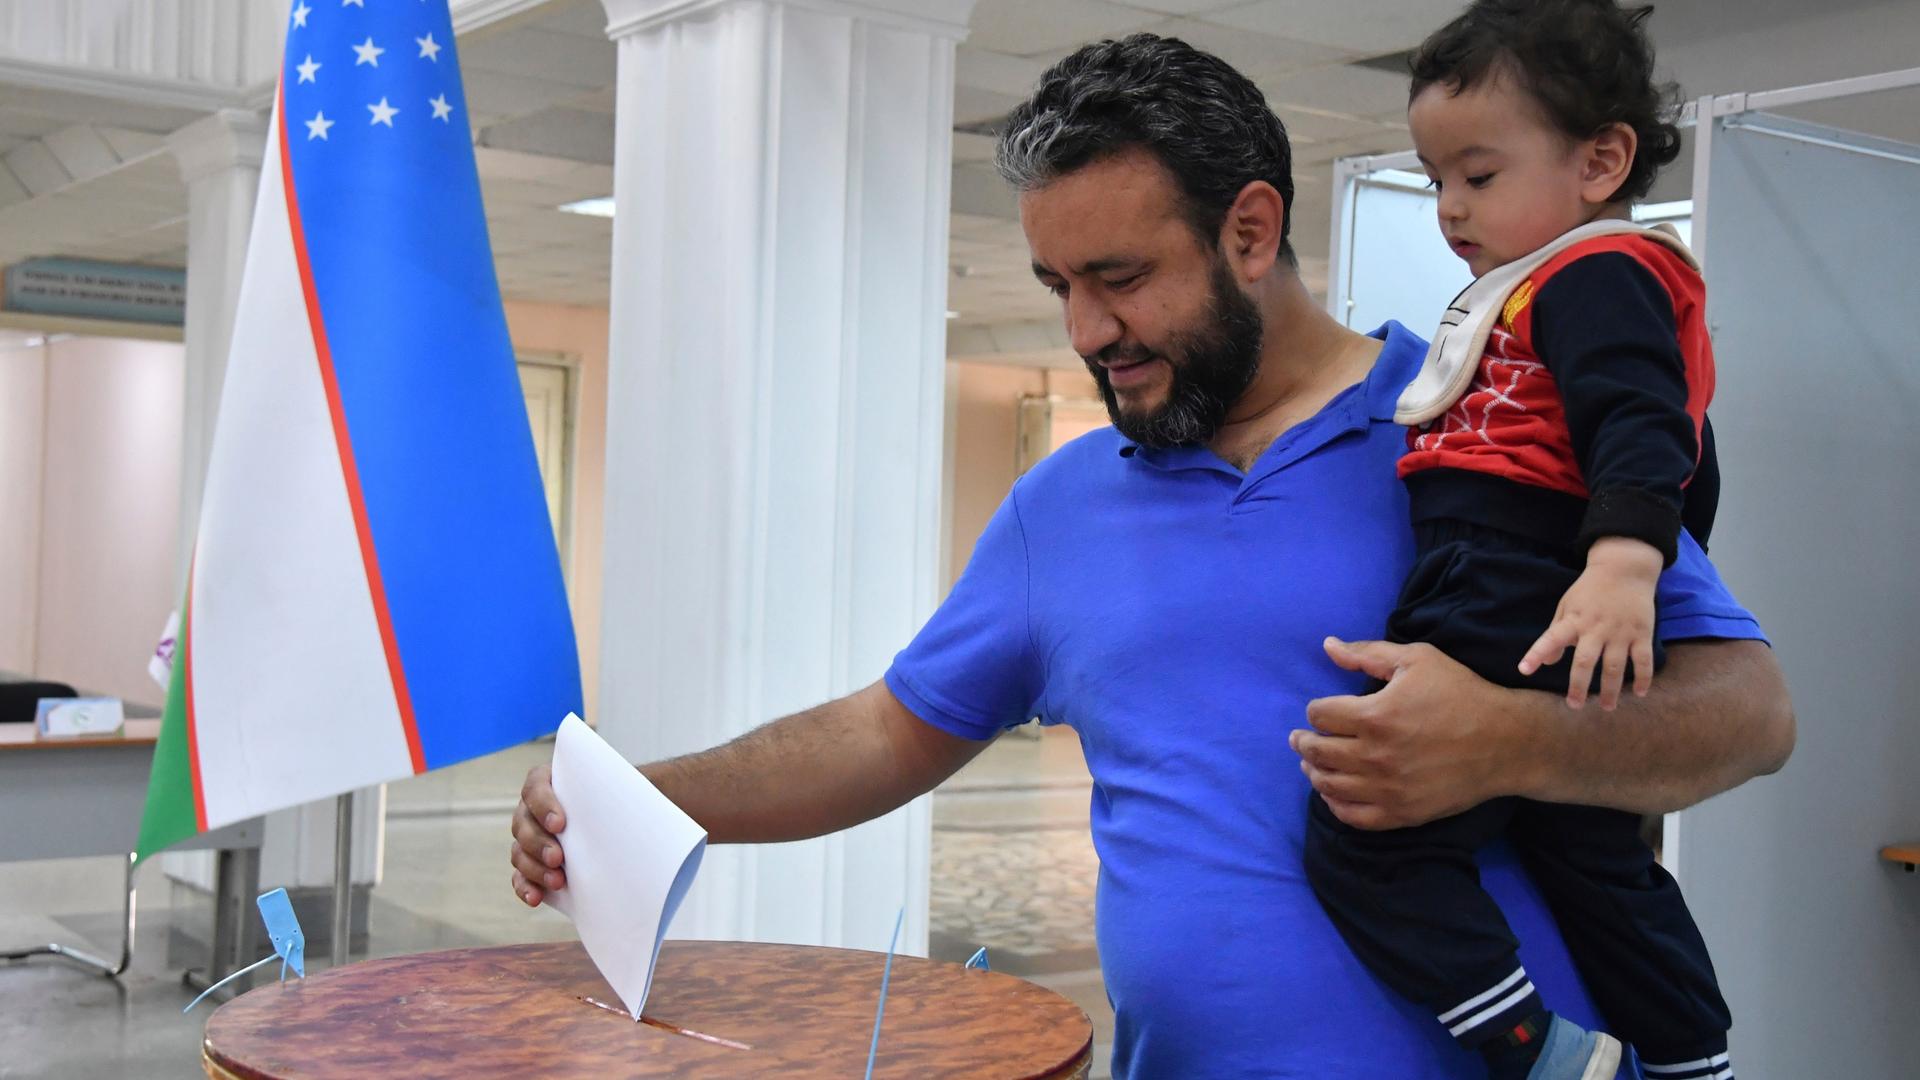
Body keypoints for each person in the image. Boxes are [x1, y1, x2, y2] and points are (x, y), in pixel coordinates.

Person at [510, 33, 1794, 1079]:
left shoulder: (1483, 424)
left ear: (1249, 230)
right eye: (1059, 282)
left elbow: (1750, 715)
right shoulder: (1061, 506)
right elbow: (890, 732)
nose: (1086, 329)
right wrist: (639, 795)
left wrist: (1513, 743)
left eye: (1119, 276)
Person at [1300, 4, 1742, 1079]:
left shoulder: (1599, 274)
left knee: (1364, 832)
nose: (1450, 208)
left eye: (1479, 177)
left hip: (1506, 577)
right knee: (1586, 845)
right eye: (1435, 178)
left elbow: (1648, 424)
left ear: (1601, 161)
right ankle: (1692, 1055)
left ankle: (1532, 1047)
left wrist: (1625, 564)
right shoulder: (1546, 282)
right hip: (1529, 576)